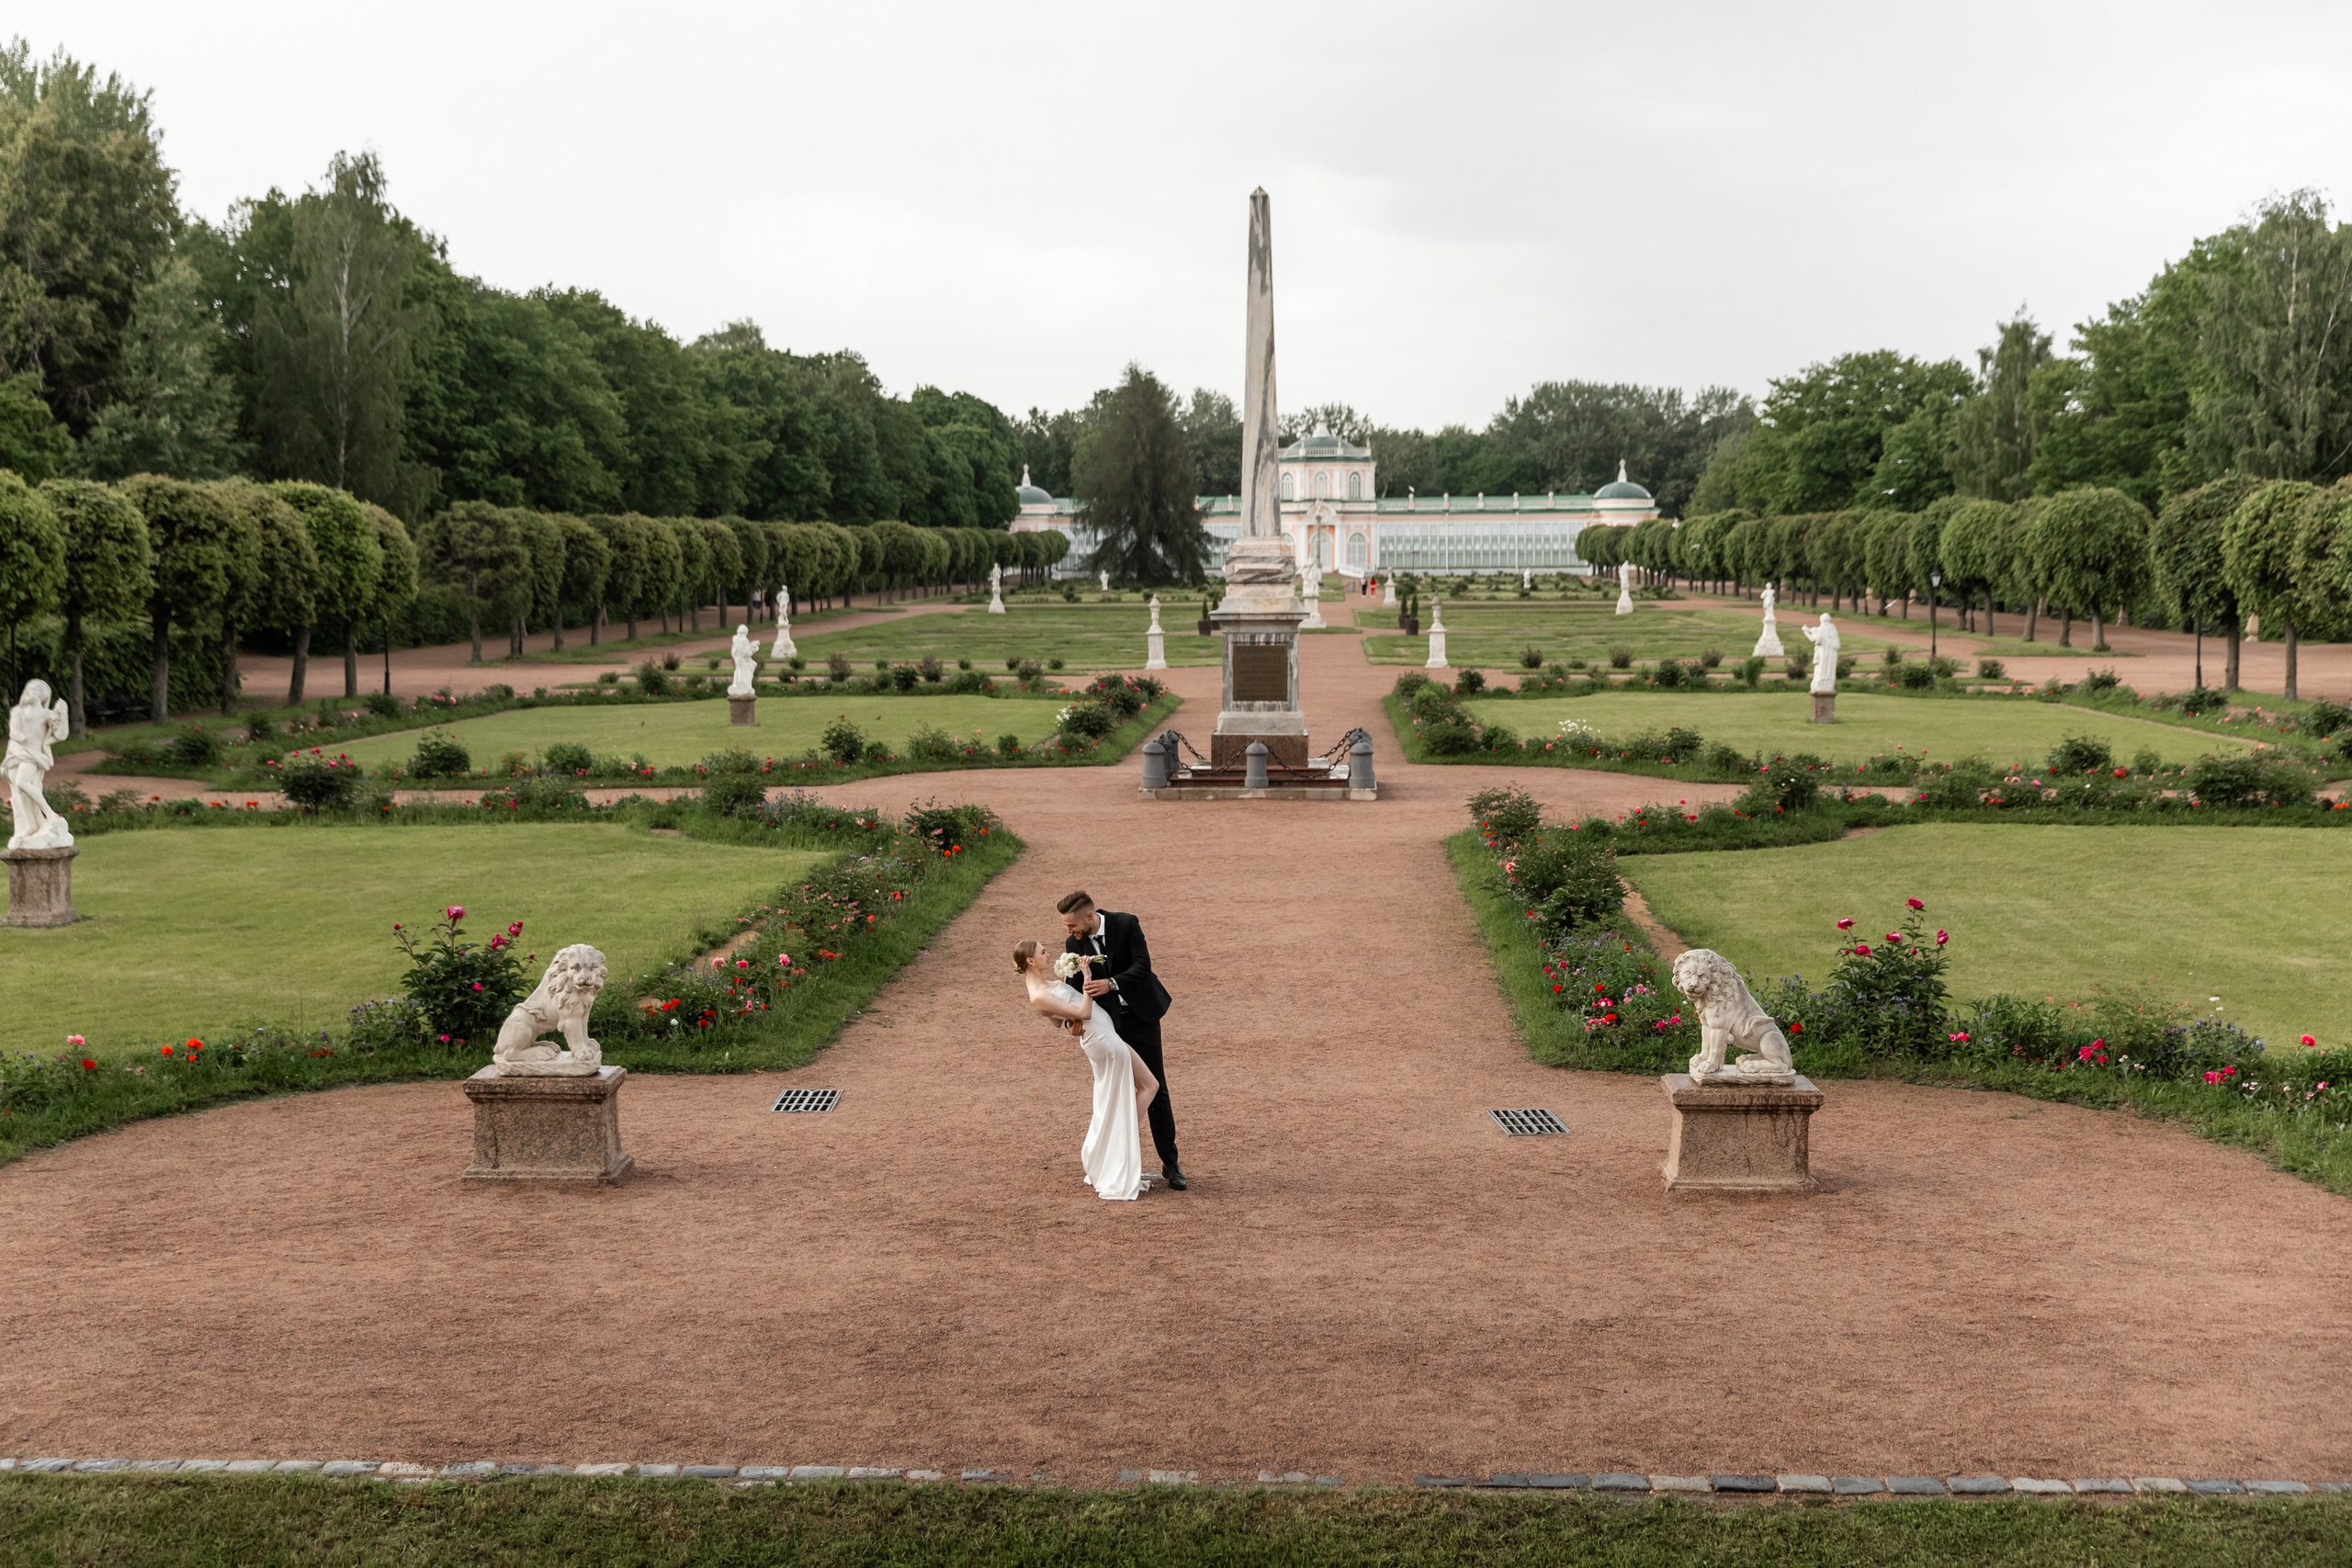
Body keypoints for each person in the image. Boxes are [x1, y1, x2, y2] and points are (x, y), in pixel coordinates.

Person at [1058, 890, 1184, 1189]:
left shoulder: (1127, 924)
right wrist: (1070, 1021)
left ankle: (1171, 1163)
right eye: (1066, 927)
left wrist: (1111, 983)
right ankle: (1112, 1157)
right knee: (1113, 1091)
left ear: (1090, 917)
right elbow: (1074, 984)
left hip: (1141, 1018)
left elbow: (1142, 967)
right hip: (1109, 1025)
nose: (1069, 932)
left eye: (1072, 925)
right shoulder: (1074, 943)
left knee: (1156, 1087)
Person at [1015, 939, 1155, 1201]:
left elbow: (1061, 1022)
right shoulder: (1039, 996)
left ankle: (1113, 1152)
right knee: (1135, 1091)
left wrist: (1070, 1022)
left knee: (1144, 1088)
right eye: (1043, 952)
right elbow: (1084, 1013)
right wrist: (1088, 977)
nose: (1048, 954)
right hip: (1102, 1042)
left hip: (1105, 1036)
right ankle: (1115, 1154)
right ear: (1031, 961)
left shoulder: (1045, 987)